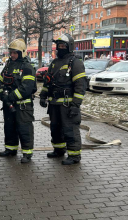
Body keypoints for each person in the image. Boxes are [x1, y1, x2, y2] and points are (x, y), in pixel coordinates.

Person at [39, 33, 87, 165]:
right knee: (55, 128)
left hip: (67, 105)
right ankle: (59, 150)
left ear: (69, 47)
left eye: (62, 46)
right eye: (58, 46)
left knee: (70, 130)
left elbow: (80, 86)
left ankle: (74, 156)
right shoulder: (54, 63)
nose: (59, 48)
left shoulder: (75, 63)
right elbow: (47, 82)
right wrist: (43, 96)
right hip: (54, 104)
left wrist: (75, 105)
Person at [0, 38, 37, 163]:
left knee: (24, 129)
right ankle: (10, 149)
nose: (12, 55)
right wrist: (2, 95)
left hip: (23, 106)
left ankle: (27, 154)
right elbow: (0, 81)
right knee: (9, 128)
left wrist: (10, 97)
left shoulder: (27, 67)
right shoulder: (8, 65)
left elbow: (26, 88)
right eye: (11, 52)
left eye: (15, 52)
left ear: (21, 52)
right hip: (9, 105)